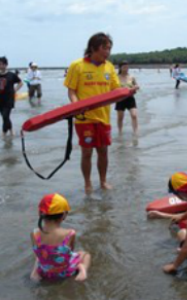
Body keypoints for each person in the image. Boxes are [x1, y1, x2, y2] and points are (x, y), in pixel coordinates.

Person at [64, 32, 121, 194]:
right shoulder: (77, 65)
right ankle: (87, 183)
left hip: (103, 117)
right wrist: (76, 106)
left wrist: (129, 90)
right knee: (87, 152)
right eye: (104, 48)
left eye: (109, 48)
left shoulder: (109, 67)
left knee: (103, 151)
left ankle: (103, 181)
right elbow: (72, 91)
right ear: (93, 48)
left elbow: (116, 89)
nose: (107, 52)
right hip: (84, 118)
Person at [30, 193, 92, 282]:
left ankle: (35, 272)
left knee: (40, 254)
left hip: (45, 272)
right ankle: (82, 271)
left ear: (40, 213)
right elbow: (69, 252)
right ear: (63, 216)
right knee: (85, 254)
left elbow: (37, 254)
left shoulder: (34, 233)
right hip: (65, 272)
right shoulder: (70, 234)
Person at [0, 56, 23, 139]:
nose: (0, 66)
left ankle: (3, 134)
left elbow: (20, 83)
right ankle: (11, 130)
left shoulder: (11, 75)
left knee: (5, 116)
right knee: (5, 117)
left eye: (2, 64)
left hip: (9, 99)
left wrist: (15, 90)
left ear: (6, 65)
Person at [115, 61, 140, 135]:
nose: (126, 68)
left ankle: (136, 132)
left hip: (130, 98)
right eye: (124, 67)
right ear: (120, 67)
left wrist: (136, 87)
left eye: (127, 67)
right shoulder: (116, 77)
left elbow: (137, 85)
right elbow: (112, 88)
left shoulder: (131, 77)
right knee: (120, 117)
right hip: (120, 99)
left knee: (134, 115)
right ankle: (120, 132)